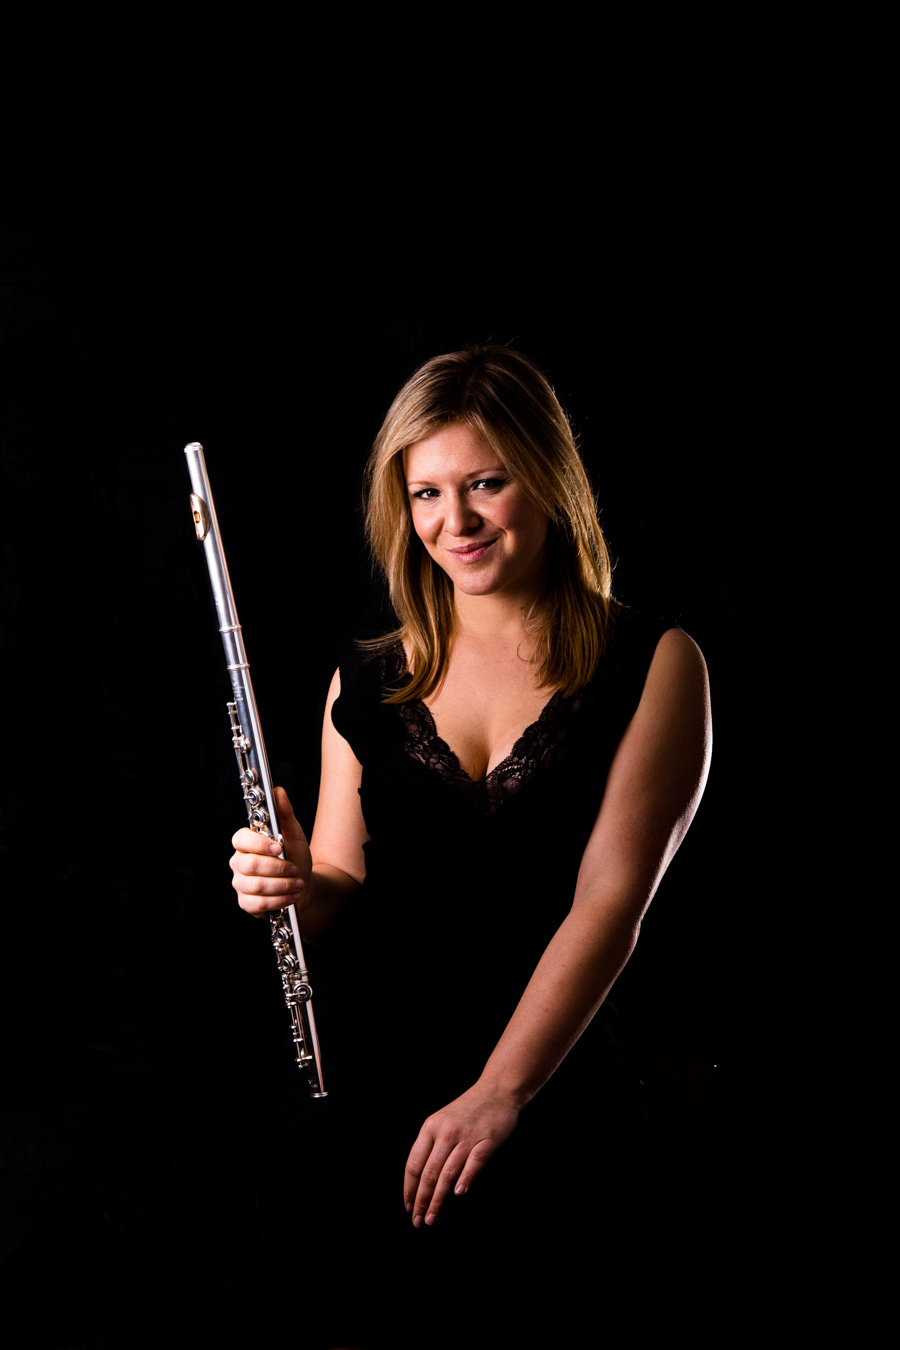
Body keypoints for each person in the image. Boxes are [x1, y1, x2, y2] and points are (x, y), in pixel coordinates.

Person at [229, 346, 711, 1348]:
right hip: (367, 1081)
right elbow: (342, 882)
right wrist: (288, 883)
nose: (457, 522)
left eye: (487, 483)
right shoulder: (364, 680)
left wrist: (498, 1095)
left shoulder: (656, 663)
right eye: (428, 493)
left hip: (552, 1076)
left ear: (547, 477)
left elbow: (609, 902)